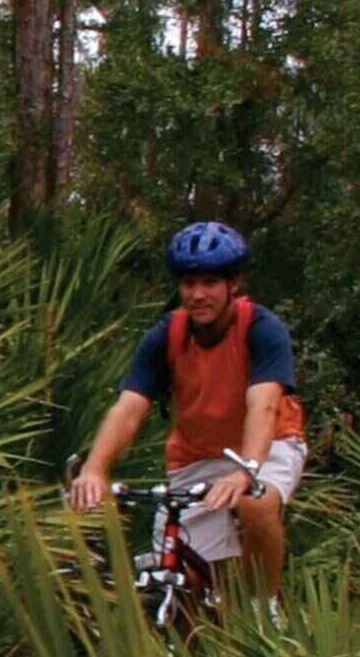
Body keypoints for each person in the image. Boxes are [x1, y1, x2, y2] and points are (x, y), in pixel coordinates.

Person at [65, 221, 301, 590]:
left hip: (267, 447)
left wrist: (246, 471)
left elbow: (264, 407)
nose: (197, 295)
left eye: (209, 283)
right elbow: (129, 408)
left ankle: (262, 607)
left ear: (232, 285)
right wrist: (95, 468)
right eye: (188, 284)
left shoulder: (261, 328)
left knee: (256, 502)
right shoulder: (167, 335)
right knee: (182, 578)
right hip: (195, 456)